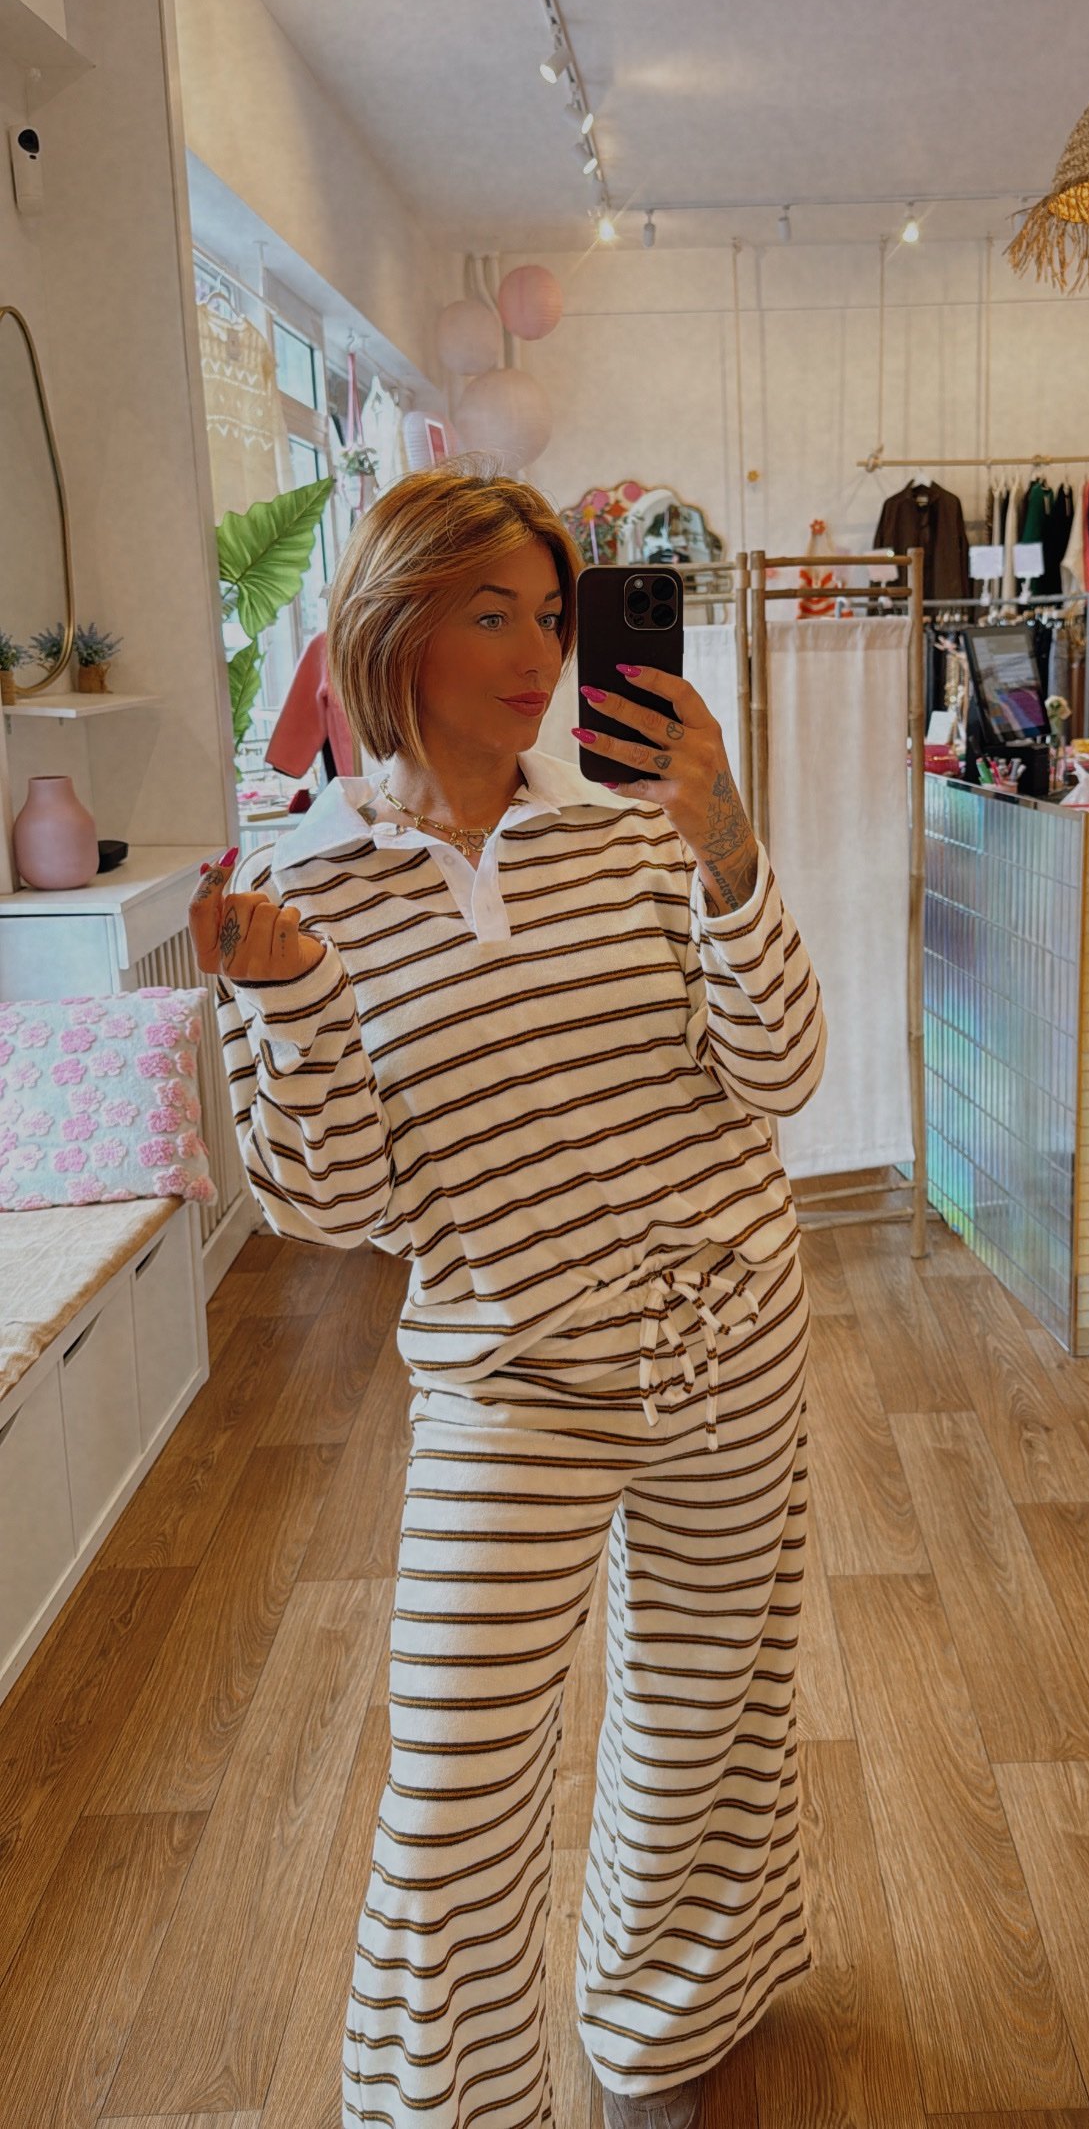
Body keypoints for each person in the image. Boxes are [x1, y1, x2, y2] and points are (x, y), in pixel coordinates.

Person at [191, 462, 826, 2129]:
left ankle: (665, 2026)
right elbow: (333, 1203)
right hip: (510, 1375)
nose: (541, 654)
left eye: (552, 614)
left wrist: (726, 843)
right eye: (492, 615)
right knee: (452, 1795)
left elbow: (784, 1072)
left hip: (729, 1336)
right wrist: (294, 1000)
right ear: (391, 627)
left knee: (703, 1714)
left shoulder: (635, 828)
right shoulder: (310, 885)